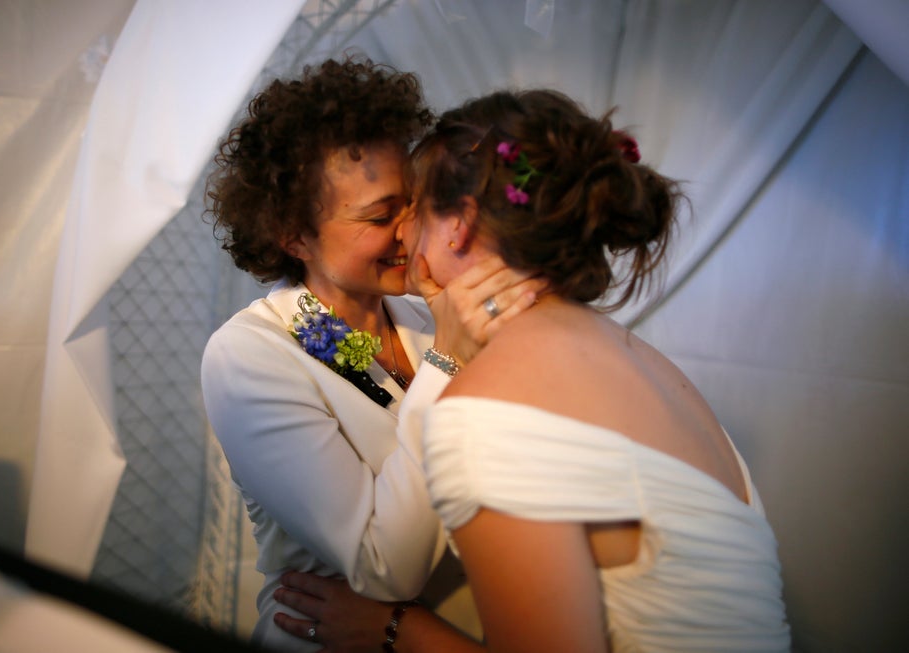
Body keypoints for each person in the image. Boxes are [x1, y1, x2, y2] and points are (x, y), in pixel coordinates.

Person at [272, 89, 792, 651]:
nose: (402, 231)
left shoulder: (486, 408)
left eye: (414, 207)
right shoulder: (650, 363)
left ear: (460, 225)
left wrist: (399, 631)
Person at [200, 57, 541, 651]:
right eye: (382, 216)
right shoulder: (254, 352)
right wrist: (448, 363)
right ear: (293, 234)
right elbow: (387, 564)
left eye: (414, 204)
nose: (411, 231)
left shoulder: (415, 318)